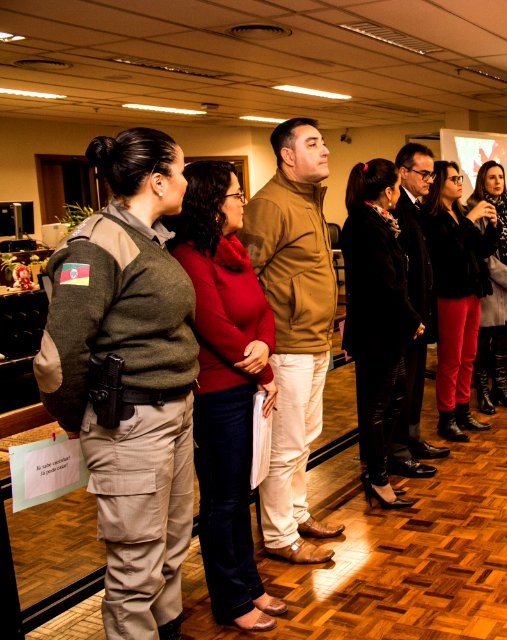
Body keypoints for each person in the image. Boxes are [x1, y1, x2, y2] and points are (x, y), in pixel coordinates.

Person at [34, 127, 198, 640]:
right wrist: (76, 416)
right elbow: (56, 359)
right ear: (156, 180)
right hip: (130, 421)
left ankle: (166, 628)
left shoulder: (149, 239)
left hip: (172, 412)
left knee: (171, 542)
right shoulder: (93, 249)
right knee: (135, 562)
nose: (186, 182)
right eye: (182, 170)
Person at [168, 161, 284, 632]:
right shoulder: (189, 256)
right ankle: (231, 599)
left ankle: (250, 585)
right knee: (223, 502)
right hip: (217, 393)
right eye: (236, 195)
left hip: (247, 385)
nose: (242, 201)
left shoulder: (232, 249)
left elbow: (261, 308)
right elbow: (213, 324)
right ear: (213, 205)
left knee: (242, 496)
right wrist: (262, 367)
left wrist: (265, 349)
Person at [238, 117, 344, 565]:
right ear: (287, 155)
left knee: (305, 438)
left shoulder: (307, 201)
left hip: (316, 341)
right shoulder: (270, 204)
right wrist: (262, 343)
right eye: (313, 143)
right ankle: (280, 535)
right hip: (285, 346)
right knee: (284, 446)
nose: (324, 150)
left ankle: (297, 514)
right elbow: (246, 278)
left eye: (323, 143)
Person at [341, 158, 422, 509]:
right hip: (377, 331)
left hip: (388, 330)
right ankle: (377, 477)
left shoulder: (376, 219)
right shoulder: (363, 224)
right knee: (377, 407)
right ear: (388, 190)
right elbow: (385, 283)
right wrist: (411, 318)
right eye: (395, 189)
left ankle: (381, 470)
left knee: (396, 398)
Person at [421, 160, 499, 442]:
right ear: (439, 184)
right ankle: (447, 416)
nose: (459, 183)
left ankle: (464, 410)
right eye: (453, 179)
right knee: (450, 359)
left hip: (471, 291)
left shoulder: (459, 213)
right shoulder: (432, 218)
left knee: (469, 356)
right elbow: (449, 251)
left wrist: (491, 226)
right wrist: (469, 221)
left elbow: (483, 249)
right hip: (449, 294)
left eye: (460, 178)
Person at [388, 142, 449, 479]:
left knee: (414, 387)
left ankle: (412, 439)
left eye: (431, 174)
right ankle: (398, 450)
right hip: (406, 317)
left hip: (420, 314)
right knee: (403, 386)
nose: (430, 180)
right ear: (403, 172)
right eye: (424, 174)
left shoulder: (418, 209)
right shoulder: (398, 211)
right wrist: (412, 314)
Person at [468, 160, 507, 414]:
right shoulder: (474, 209)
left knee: (503, 340)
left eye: (500, 177)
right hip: (490, 287)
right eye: (491, 177)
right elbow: (481, 252)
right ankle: (482, 392)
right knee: (483, 341)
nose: (497, 182)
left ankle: (500, 389)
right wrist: (505, 278)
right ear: (482, 181)